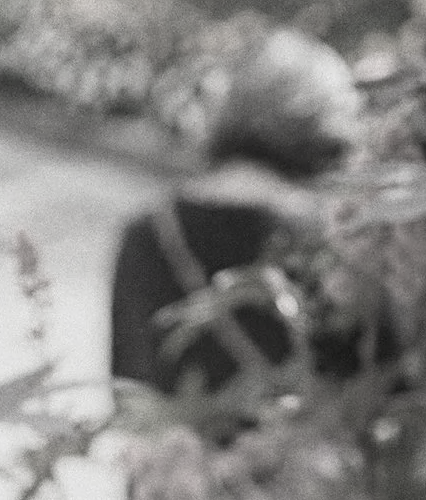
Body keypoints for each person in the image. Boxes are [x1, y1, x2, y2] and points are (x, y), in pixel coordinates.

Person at [108, 29, 367, 396]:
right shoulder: (329, 233)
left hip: (181, 446)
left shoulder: (149, 229)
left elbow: (129, 386)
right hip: (299, 447)